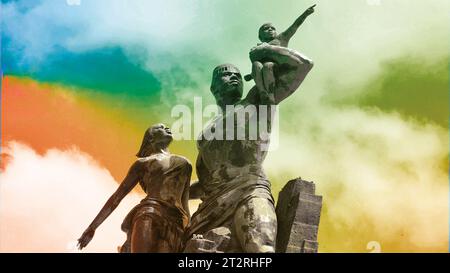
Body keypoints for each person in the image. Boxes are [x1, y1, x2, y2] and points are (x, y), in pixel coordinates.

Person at [185, 42, 314, 252]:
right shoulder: (204, 136)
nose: (234, 77)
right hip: (211, 207)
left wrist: (264, 51)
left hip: (250, 189)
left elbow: (303, 65)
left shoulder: (257, 100)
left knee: (261, 247)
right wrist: (171, 193)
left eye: (237, 74)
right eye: (226, 74)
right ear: (213, 87)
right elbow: (206, 183)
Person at [77, 124, 192, 252]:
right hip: (150, 214)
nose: (166, 128)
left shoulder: (185, 163)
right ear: (151, 139)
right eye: (160, 127)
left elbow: (184, 201)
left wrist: (190, 229)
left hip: (176, 223)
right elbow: (116, 197)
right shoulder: (142, 163)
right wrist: (92, 227)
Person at [244, 4, 316, 88]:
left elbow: (294, 26)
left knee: (268, 65)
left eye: (273, 28)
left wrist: (305, 14)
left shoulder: (281, 38)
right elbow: (259, 66)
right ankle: (265, 93)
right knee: (257, 64)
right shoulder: (258, 49)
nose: (270, 29)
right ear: (260, 36)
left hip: (281, 69)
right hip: (267, 76)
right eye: (266, 28)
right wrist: (251, 75)